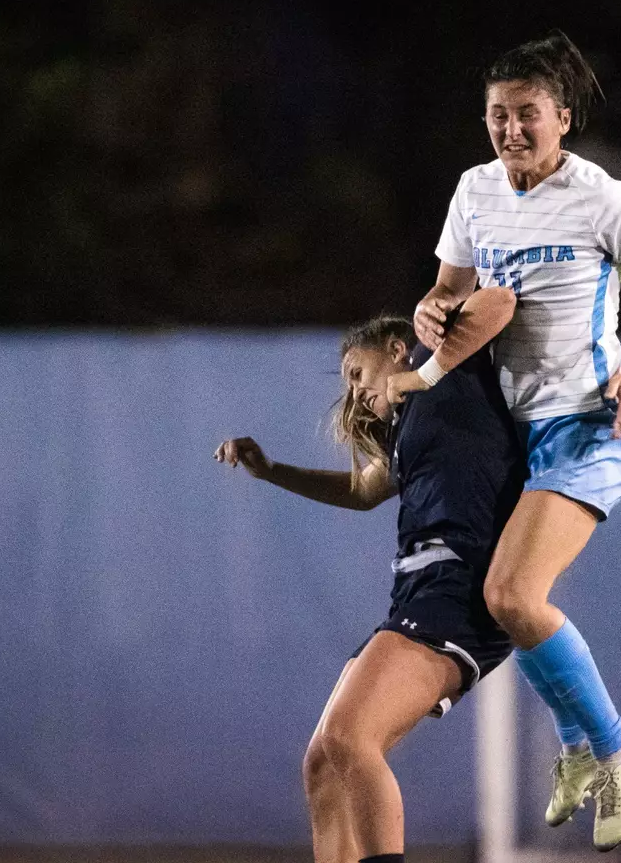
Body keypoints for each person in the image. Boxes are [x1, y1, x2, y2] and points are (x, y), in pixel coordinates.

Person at [413, 31, 621, 849]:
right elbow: (445, 294)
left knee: (509, 597)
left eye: (527, 114)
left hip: (588, 427)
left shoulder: (607, 199)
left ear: (562, 118)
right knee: (513, 607)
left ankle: (617, 748)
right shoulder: (474, 192)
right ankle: (575, 745)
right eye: (497, 115)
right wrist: (433, 311)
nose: (510, 129)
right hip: (514, 436)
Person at [215, 288, 524, 863]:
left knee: (347, 738)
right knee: (325, 765)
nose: (353, 390)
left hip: (456, 591)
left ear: (396, 348)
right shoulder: (411, 425)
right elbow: (362, 491)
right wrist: (272, 471)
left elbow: (500, 303)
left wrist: (440, 308)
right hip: (422, 595)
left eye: (356, 372)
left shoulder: (447, 374)